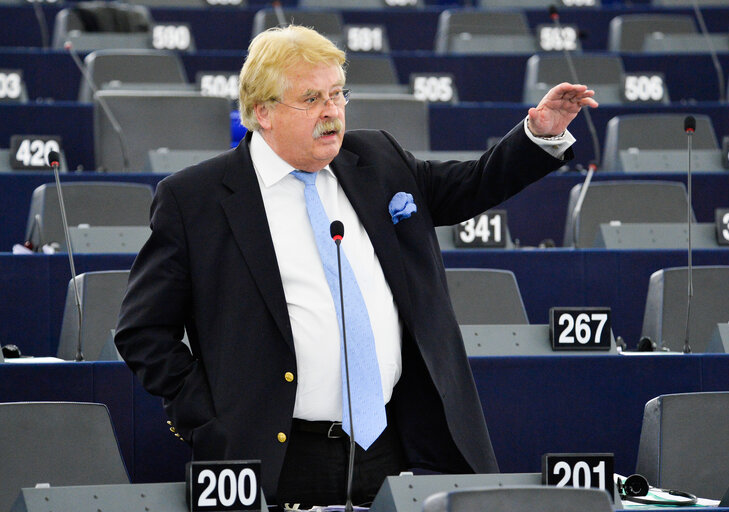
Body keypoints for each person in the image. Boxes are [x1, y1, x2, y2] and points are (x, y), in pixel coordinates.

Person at [115, 24, 597, 509]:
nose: (331, 112)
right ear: (262, 112)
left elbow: (471, 185)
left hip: (392, 443)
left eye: (337, 94)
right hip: (275, 457)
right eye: (311, 99)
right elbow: (142, 330)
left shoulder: (378, 159)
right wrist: (207, 417)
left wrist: (540, 134)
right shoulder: (196, 198)